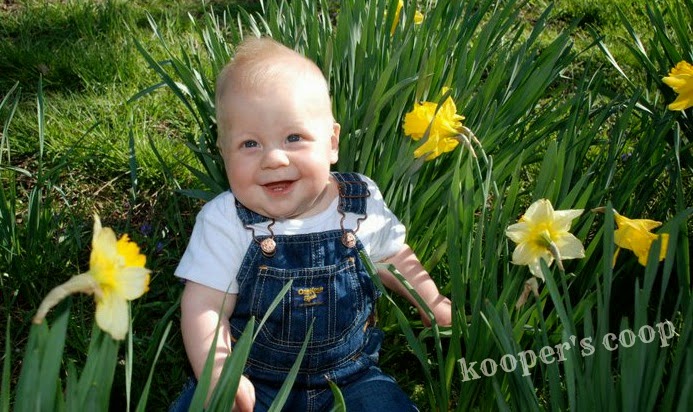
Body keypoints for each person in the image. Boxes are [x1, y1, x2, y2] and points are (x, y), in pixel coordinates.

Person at [170, 36, 452, 412]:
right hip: (254, 380)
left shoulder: (357, 203)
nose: (273, 158)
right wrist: (220, 374)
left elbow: (393, 256)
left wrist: (432, 302)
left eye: (294, 138)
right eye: (250, 144)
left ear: (331, 143)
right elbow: (205, 306)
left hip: (351, 377)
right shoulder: (226, 220)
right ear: (224, 154)